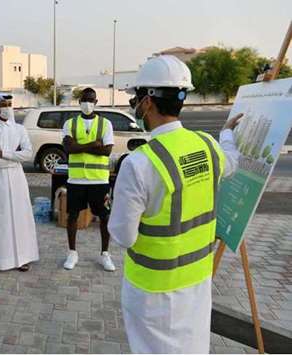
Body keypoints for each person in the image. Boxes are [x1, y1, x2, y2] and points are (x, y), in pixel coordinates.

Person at [108, 55, 241, 353]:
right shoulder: (208, 145)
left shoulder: (139, 163)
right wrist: (228, 133)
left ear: (147, 103)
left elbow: (122, 236)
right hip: (197, 281)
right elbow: (232, 162)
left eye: (136, 99)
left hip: (153, 292)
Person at [0, 93, 39, 272]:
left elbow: (28, 154)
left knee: (20, 216)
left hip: (17, 179)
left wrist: (5, 154)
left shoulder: (19, 129)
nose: (6, 107)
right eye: (2, 104)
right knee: (0, 218)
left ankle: (23, 257)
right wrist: (15, 157)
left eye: (9, 104)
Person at [61, 88, 116, 272]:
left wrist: (79, 146)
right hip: (76, 179)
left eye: (91, 100)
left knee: (104, 216)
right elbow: (68, 149)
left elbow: (107, 151)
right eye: (84, 99)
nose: (87, 103)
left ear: (96, 101)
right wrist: (93, 144)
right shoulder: (70, 123)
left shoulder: (105, 124)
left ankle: (105, 254)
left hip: (99, 180)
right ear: (79, 101)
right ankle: (72, 252)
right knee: (72, 216)